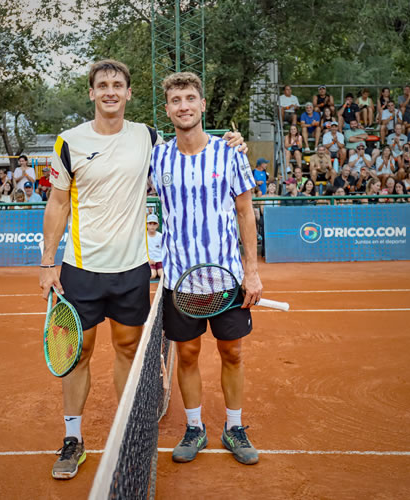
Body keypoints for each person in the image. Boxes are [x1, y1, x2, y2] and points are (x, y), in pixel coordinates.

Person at [39, 60, 245, 480]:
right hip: (80, 267)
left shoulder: (149, 139)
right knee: (78, 353)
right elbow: (58, 203)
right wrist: (47, 262)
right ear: (92, 93)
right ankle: (73, 438)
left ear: (129, 94)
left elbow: (193, 144)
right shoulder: (68, 142)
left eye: (118, 85)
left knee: (129, 353)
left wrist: (233, 141)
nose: (111, 91)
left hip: (132, 269)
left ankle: (128, 432)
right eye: (103, 85)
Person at [149, 71, 261, 467]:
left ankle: (234, 427)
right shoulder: (157, 157)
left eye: (190, 98)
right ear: (168, 109)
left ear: (202, 105)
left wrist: (252, 271)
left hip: (228, 277)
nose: (183, 106)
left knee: (232, 353)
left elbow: (246, 211)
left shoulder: (229, 153)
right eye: (176, 100)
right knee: (188, 354)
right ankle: (194, 428)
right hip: (179, 281)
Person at [146, 213, 163, 280]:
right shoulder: (144, 237)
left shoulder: (160, 236)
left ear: (157, 225)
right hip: (149, 261)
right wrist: (148, 260)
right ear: (147, 225)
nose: (152, 226)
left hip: (159, 260)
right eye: (150, 224)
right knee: (152, 275)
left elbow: (164, 250)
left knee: (162, 274)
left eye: (154, 224)